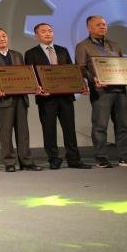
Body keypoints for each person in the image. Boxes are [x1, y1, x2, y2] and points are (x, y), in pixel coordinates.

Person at [24, 23, 91, 170]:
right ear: (36, 36)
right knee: (49, 130)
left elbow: (72, 71)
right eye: (43, 31)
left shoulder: (62, 50)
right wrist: (37, 89)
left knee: (70, 129)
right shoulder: (31, 53)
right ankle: (54, 159)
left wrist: (80, 85)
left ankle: (74, 159)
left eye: (50, 31)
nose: (48, 33)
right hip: (46, 98)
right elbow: (31, 76)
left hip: (66, 97)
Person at [74, 15, 127, 168]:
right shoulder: (83, 46)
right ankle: (101, 157)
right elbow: (80, 68)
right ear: (89, 28)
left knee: (123, 125)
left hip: (120, 90)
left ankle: (126, 157)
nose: (103, 27)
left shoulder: (114, 45)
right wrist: (93, 78)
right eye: (99, 25)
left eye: (104, 25)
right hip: (101, 91)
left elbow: (123, 65)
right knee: (100, 125)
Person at [0, 28, 42, 172]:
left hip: (20, 98)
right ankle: (9, 162)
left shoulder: (17, 55)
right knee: (6, 132)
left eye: (4, 36)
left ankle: (26, 161)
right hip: (2, 100)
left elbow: (25, 75)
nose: (2, 38)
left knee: (23, 132)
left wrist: (33, 86)